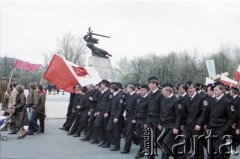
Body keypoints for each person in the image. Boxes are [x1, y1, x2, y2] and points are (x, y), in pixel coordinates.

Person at [206, 82, 234, 159]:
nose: (214, 91)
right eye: (214, 90)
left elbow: (231, 117)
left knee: (219, 150)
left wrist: (225, 129)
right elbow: (209, 115)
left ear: (222, 90)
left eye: (216, 90)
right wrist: (208, 126)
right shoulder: (212, 100)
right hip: (212, 128)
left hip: (221, 129)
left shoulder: (227, 102)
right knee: (211, 149)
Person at [181, 82, 209, 159]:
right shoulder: (185, 97)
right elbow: (184, 112)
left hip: (196, 124)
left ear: (195, 88)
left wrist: (199, 124)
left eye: (191, 88)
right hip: (187, 124)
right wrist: (182, 123)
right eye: (188, 89)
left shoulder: (201, 97)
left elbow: (204, 112)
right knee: (183, 140)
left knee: (197, 143)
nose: (189, 90)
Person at [158, 84, 182, 159]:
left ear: (168, 91)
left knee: (166, 143)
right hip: (164, 124)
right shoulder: (164, 99)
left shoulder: (176, 100)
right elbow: (161, 112)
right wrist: (160, 123)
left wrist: (176, 127)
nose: (162, 93)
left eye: (163, 91)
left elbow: (178, 115)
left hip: (171, 125)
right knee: (167, 143)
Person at [105, 83, 125, 151]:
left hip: (117, 117)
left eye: (110, 89)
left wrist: (117, 117)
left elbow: (120, 108)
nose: (110, 90)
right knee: (109, 129)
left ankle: (117, 146)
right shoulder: (113, 96)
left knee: (117, 132)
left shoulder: (119, 96)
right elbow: (109, 105)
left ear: (113, 89)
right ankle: (113, 143)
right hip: (112, 116)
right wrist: (107, 112)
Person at [121, 84, 139, 154]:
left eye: (127, 88)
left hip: (133, 117)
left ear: (131, 88)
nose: (126, 89)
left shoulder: (136, 96)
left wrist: (134, 118)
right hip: (127, 116)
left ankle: (126, 149)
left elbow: (136, 109)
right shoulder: (127, 95)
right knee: (128, 131)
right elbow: (126, 105)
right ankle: (138, 141)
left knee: (128, 133)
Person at [135, 84, 151, 159]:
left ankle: (141, 152)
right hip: (138, 119)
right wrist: (135, 118)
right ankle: (143, 149)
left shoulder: (149, 99)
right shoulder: (139, 98)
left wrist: (147, 122)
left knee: (144, 137)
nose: (141, 91)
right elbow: (137, 109)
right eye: (140, 90)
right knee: (138, 136)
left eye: (143, 90)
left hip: (144, 120)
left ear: (147, 91)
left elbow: (149, 112)